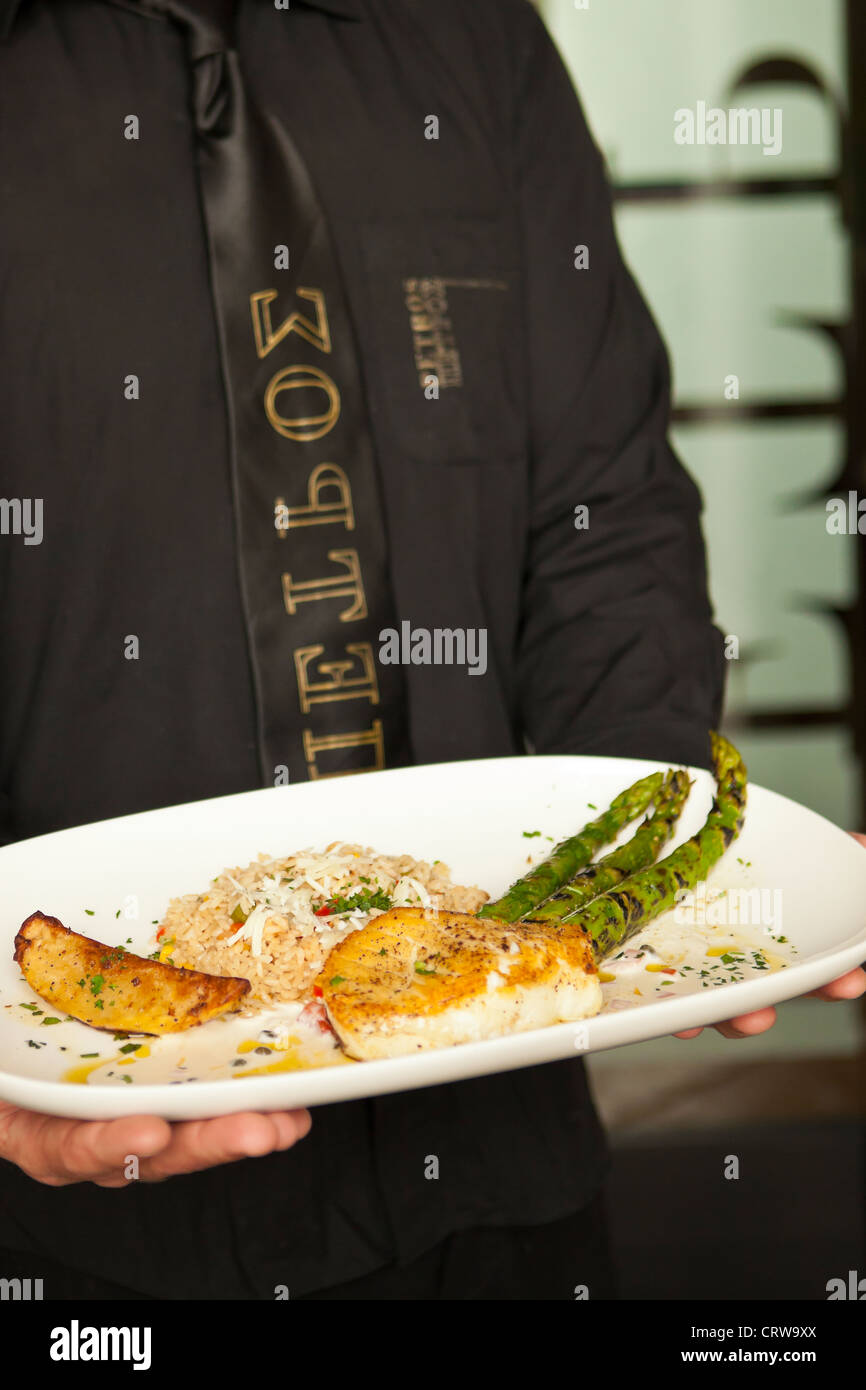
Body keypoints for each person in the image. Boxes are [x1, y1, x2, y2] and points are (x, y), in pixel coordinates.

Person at [0, 0, 862, 1301]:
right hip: (67, 1235)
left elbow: (602, 509)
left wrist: (642, 873)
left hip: (500, 1180)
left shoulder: (472, 35)